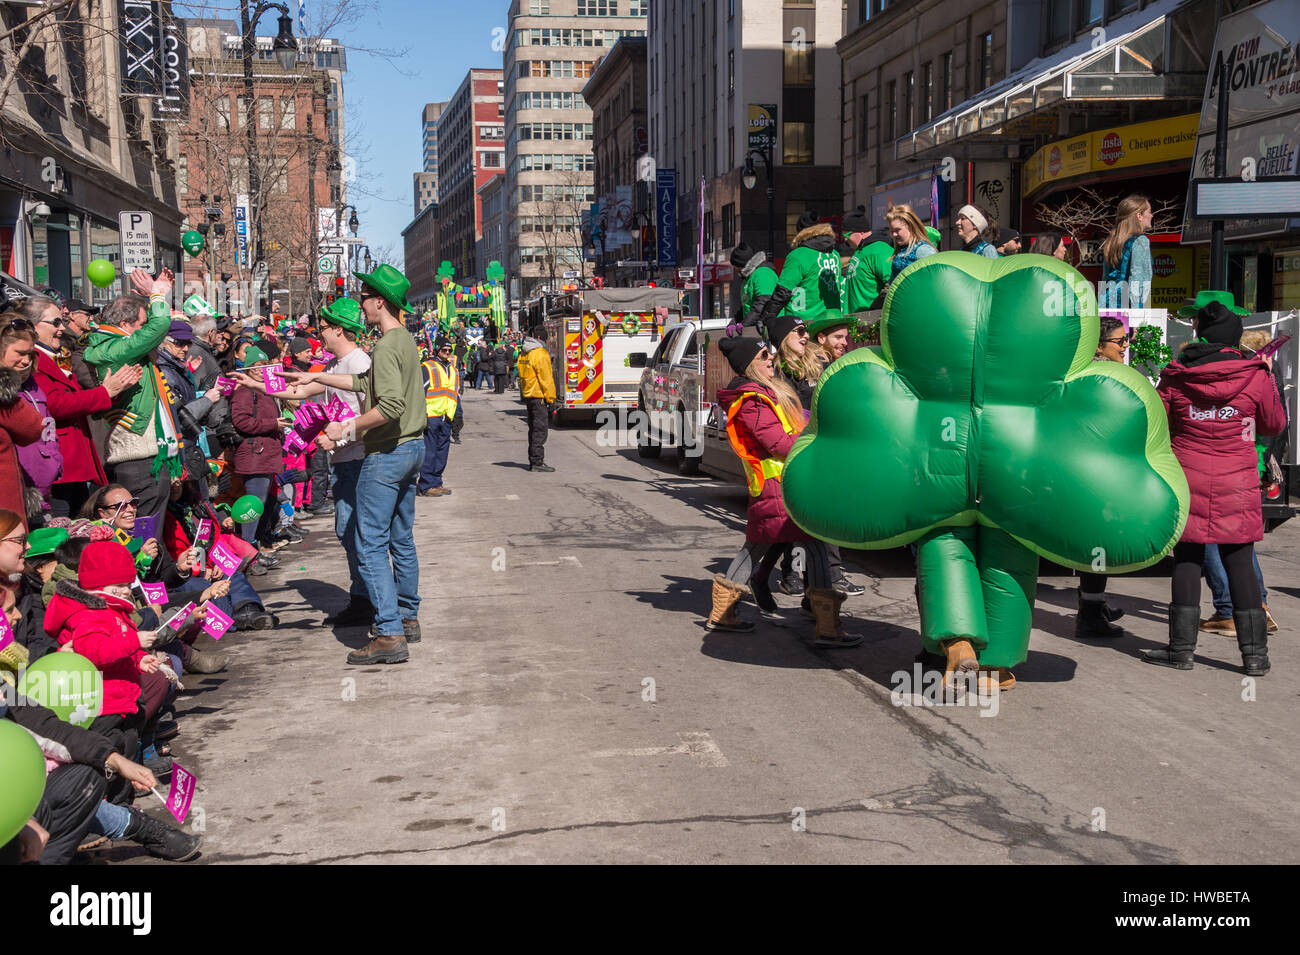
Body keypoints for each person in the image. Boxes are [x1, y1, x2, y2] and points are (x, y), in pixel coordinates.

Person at [288, 264, 426, 665]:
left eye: (364, 298)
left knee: (368, 543)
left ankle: (388, 632)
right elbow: (367, 384)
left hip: (387, 454)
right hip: (412, 449)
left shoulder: (384, 346)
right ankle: (407, 615)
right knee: (400, 539)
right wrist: (317, 380)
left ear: (378, 302)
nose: (360, 305)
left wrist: (343, 429)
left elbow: (390, 405)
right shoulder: (404, 342)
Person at [1147, 297, 1286, 675]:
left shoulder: (1175, 375)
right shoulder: (1255, 374)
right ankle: (1254, 657)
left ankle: (1181, 651)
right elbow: (1274, 424)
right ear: (1233, 338)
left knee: (1188, 558)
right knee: (1239, 560)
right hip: (1237, 478)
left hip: (1187, 475)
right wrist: (1268, 376)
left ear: (1200, 335)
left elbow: (1158, 424)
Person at [708, 335, 862, 647]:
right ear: (749, 364)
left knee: (763, 549)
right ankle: (827, 627)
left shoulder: (763, 393)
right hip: (779, 485)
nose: (770, 360)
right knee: (800, 546)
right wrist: (818, 442)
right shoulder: (751, 399)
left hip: (783, 483)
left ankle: (724, 613)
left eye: (771, 355)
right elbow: (776, 443)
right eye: (764, 356)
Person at [1196, 321, 1282, 636]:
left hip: (1232, 468)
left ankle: (1229, 609)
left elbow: (1271, 427)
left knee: (1211, 541)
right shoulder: (1263, 378)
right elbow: (1273, 425)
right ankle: (1256, 605)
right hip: (1247, 467)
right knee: (1239, 542)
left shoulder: (1247, 379)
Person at [82, 268, 180, 528]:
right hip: (136, 459)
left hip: (150, 453)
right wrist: (158, 296)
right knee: (144, 534)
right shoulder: (113, 348)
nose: (145, 330)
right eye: (141, 325)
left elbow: (153, 328)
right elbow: (160, 325)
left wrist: (149, 300)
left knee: (155, 532)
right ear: (125, 326)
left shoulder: (123, 343)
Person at [31, 304, 141, 519]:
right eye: (55, 322)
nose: (61, 328)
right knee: (62, 530)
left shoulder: (57, 354)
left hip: (75, 459)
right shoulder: (32, 359)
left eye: (61, 321)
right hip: (57, 460)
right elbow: (55, 404)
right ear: (33, 326)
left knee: (80, 525)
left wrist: (115, 389)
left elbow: (78, 395)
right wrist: (104, 392)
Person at [1075, 317, 1131, 638]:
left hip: (1092, 471)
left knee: (1095, 546)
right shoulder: (1104, 377)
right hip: (1098, 474)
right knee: (1097, 545)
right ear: (1100, 346)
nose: (1125, 347)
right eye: (1119, 342)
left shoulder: (1087, 371)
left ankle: (1094, 605)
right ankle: (1090, 615)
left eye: (1126, 340)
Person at [0, 316, 46, 524]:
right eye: (20, 353)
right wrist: (7, 385)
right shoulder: (4, 396)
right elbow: (32, 428)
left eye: (30, 354)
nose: (26, 361)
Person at [776, 210, 844, 323]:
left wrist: (767, 317)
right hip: (832, 319)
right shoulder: (835, 254)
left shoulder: (798, 255)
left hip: (803, 323)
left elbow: (783, 291)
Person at [418, 337, 460, 497]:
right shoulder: (427, 367)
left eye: (450, 350)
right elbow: (420, 392)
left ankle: (436, 481)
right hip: (432, 416)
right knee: (430, 451)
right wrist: (422, 415)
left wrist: (458, 414)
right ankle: (426, 485)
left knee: (442, 451)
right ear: (437, 350)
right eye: (444, 350)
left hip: (447, 416)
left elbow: (454, 393)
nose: (447, 353)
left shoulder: (453, 369)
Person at [1099, 194, 1154, 309]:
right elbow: (1137, 283)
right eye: (1149, 212)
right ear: (1139, 216)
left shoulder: (1111, 242)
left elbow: (1105, 280)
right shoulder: (1140, 241)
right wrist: (1138, 316)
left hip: (1107, 307)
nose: (1152, 215)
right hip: (1127, 310)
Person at [840, 205, 893, 313]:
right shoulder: (861, 250)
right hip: (856, 321)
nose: (845, 239)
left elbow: (894, 283)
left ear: (861, 232)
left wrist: (874, 309)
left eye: (847, 234)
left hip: (871, 321)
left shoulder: (880, 250)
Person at [517, 328, 556, 472]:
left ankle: (533, 459)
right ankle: (537, 462)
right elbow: (545, 378)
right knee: (540, 430)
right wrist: (550, 397)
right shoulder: (540, 354)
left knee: (533, 429)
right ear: (542, 339)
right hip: (539, 395)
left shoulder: (524, 353)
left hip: (528, 394)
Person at [886, 204, 938, 280]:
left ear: (910, 226)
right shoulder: (900, 251)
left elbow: (936, 279)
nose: (894, 234)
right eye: (892, 231)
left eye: (897, 230)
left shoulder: (923, 250)